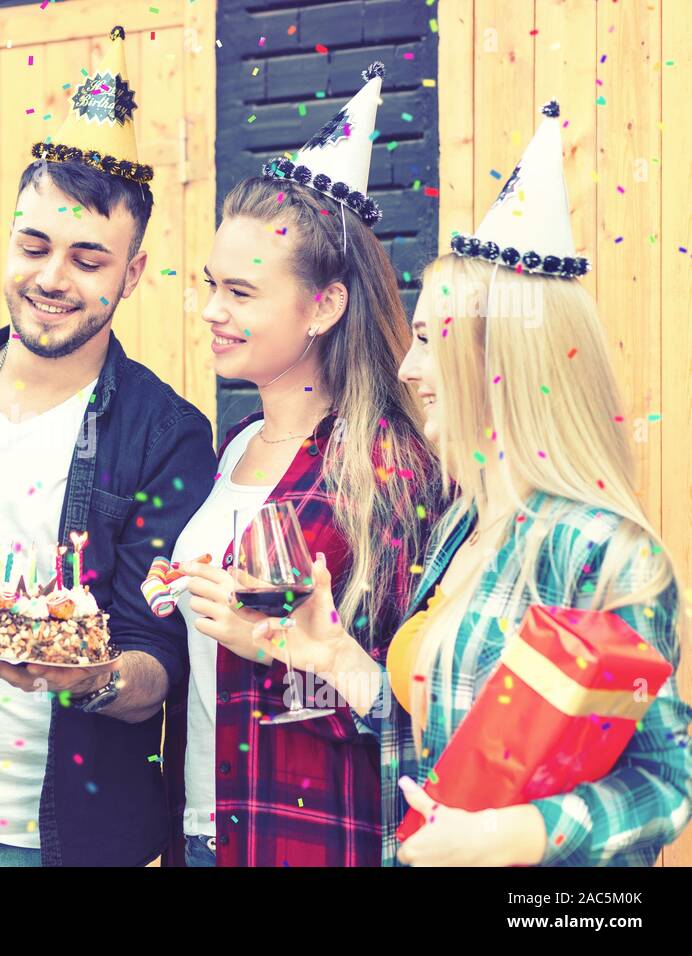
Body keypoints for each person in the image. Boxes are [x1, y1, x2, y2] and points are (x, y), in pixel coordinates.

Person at [243, 101, 692, 866]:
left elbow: (664, 781)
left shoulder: (596, 550)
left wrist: (504, 838)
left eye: (427, 342)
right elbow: (453, 745)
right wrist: (335, 659)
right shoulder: (466, 527)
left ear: (499, 367)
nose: (410, 369)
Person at [0, 26, 217, 867]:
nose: (53, 279)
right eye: (34, 246)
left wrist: (86, 677)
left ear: (132, 275)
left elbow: (156, 665)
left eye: (88, 259)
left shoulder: (167, 435)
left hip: (65, 842)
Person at [166, 63, 443, 867]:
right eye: (211, 285)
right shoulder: (234, 447)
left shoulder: (385, 471)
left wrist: (276, 643)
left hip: (310, 842)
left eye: (242, 293)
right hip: (203, 833)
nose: (213, 311)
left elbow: (406, 713)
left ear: (324, 306)